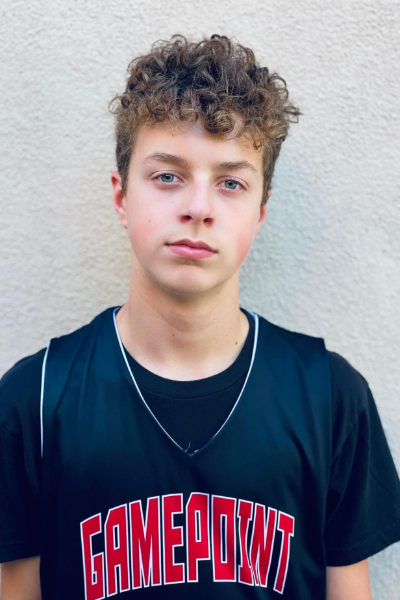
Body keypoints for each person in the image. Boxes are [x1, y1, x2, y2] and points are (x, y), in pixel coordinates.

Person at [1, 33, 399, 600]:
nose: (198, 207)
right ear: (121, 196)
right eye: (168, 176)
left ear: (260, 212)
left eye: (231, 183)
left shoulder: (330, 397)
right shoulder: (33, 402)